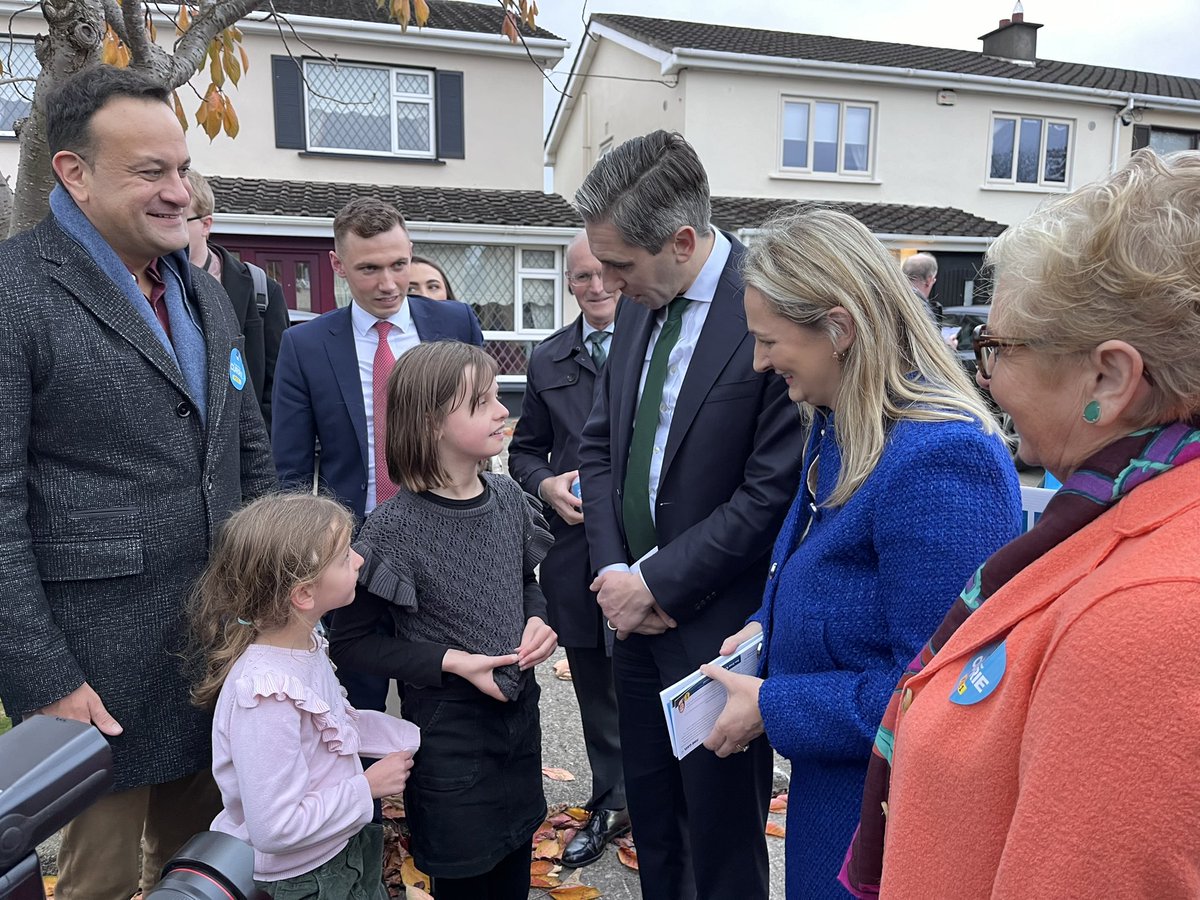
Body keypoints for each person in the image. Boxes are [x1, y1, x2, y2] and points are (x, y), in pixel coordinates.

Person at [843, 149, 1200, 898]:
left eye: (997, 346)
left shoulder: (1149, 615)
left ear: (1109, 376)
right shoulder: (1122, 514)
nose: (983, 374)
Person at [0, 66, 275, 900]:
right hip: (93, 678)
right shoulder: (15, 292)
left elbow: (247, 453)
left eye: (182, 169)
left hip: (215, 657)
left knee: (211, 872)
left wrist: (277, 606)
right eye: (149, 172)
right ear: (73, 173)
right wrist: (44, 681)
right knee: (102, 886)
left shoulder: (201, 291)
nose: (178, 191)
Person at [697, 207, 1022, 900]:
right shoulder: (840, 422)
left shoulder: (942, 459)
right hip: (837, 800)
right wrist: (766, 624)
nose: (758, 362)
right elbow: (823, 567)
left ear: (839, 329)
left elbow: (942, 696)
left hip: (887, 828)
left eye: (768, 341)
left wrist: (775, 706)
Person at [573, 130, 805, 900]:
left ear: (681, 241)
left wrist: (661, 585)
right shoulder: (642, 304)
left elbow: (770, 490)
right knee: (654, 829)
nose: (604, 283)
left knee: (722, 842)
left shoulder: (767, 309)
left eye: (619, 266)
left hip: (713, 634)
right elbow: (600, 445)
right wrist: (613, 572)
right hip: (631, 622)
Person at [329, 341, 557, 899]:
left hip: (519, 726)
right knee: (467, 879)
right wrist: (452, 662)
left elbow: (525, 582)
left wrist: (538, 621)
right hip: (449, 739)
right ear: (431, 423)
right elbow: (352, 643)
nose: (503, 409)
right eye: (481, 402)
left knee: (513, 872)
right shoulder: (391, 530)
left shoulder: (505, 496)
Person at [272, 197, 483, 710]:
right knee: (357, 697)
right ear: (337, 266)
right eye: (369, 269)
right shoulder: (305, 346)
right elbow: (291, 471)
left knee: (451, 692)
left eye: (399, 264)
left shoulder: (455, 322)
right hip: (357, 549)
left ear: (411, 253)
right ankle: (362, 792)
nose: (388, 283)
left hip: (450, 541)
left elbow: (479, 430)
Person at [189, 493, 420, 897]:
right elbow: (275, 828)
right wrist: (366, 787)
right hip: (302, 879)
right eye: (344, 556)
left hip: (338, 847)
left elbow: (336, 727)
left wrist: (419, 740)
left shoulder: (305, 645)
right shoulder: (266, 696)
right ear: (303, 595)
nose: (359, 560)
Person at [508, 233, 628, 867]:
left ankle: (660, 795)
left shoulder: (656, 344)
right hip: (574, 551)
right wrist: (546, 483)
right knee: (594, 686)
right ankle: (611, 799)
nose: (597, 286)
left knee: (655, 677)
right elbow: (524, 448)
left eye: (606, 272)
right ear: (569, 283)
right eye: (582, 277)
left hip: (644, 552)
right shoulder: (549, 356)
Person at [185, 169, 290, 430]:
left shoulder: (261, 289)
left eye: (178, 218)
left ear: (206, 225)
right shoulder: (141, 283)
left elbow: (277, 387)